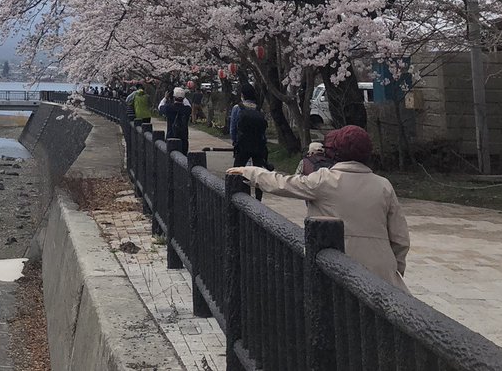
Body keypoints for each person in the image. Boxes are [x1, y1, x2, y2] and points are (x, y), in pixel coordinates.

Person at [228, 125, 411, 292]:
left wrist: (251, 172)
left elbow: (283, 184)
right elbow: (400, 237)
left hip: (339, 267)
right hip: (382, 271)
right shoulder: (384, 186)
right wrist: (395, 268)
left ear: (335, 152)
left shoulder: (325, 180)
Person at [158, 86, 192, 155]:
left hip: (171, 137)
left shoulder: (169, 108)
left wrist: (165, 98)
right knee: (183, 157)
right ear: (183, 98)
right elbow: (188, 105)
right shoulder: (187, 109)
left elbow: (160, 107)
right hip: (183, 137)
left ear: (174, 97)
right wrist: (182, 96)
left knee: (170, 158)